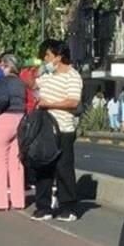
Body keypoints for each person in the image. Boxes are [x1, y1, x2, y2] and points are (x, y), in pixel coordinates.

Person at [33, 39, 83, 222]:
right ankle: (43, 207)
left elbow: (73, 102)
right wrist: (40, 72)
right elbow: (32, 86)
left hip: (63, 129)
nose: (45, 59)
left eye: (48, 56)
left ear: (59, 57)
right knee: (43, 167)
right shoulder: (47, 75)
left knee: (64, 168)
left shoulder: (73, 76)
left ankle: (68, 207)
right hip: (44, 128)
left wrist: (49, 104)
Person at [0, 54, 27, 212]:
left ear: (8, 66)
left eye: (2, 65)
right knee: (16, 163)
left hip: (3, 121)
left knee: (0, 163)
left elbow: (0, 100)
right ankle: (18, 200)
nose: (0, 68)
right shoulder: (21, 84)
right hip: (20, 121)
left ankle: (1, 201)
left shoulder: (3, 82)